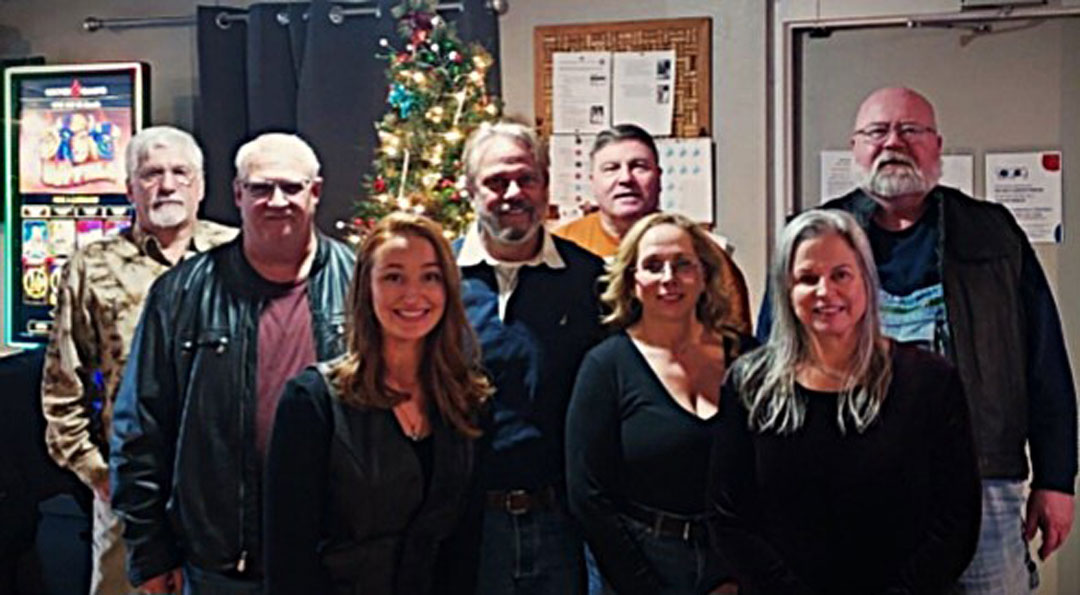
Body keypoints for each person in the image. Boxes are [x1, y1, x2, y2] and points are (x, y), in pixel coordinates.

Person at [757, 86, 1077, 593]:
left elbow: (1044, 363)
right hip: (847, 480)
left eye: (910, 130)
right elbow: (773, 361)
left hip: (983, 478)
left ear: (937, 145)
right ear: (855, 147)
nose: (893, 143)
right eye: (877, 132)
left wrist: (1057, 477)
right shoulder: (814, 238)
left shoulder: (993, 234)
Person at [110, 132, 354, 594]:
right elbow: (140, 428)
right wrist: (150, 551)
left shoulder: (361, 284)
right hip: (220, 563)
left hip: (337, 559)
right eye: (260, 188)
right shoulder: (181, 293)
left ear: (316, 192)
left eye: (291, 187)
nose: (276, 200)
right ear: (238, 194)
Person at [712, 209, 981, 594]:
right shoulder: (749, 383)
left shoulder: (929, 381)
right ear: (786, 291)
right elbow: (729, 517)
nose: (825, 292)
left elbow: (957, 519)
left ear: (868, 283)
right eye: (807, 278)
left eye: (841, 275)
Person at [40, 126, 236, 595]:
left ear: (201, 186)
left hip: (224, 496)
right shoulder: (92, 267)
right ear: (130, 189)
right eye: (151, 174)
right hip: (131, 493)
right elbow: (61, 390)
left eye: (179, 172)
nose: (166, 185)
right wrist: (101, 477)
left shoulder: (235, 256)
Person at [264, 213, 491, 594]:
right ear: (365, 288)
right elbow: (288, 561)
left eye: (430, 277)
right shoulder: (312, 402)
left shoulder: (465, 400)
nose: (413, 294)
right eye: (393, 277)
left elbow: (463, 547)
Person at [566, 212, 755, 595]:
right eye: (653, 266)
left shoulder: (747, 360)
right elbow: (589, 496)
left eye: (683, 264)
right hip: (640, 561)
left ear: (704, 275)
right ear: (633, 281)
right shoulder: (606, 366)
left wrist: (736, 575)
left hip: (732, 560)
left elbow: (768, 476)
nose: (669, 279)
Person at [457, 121, 606, 594]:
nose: (514, 193)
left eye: (527, 178)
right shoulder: (434, 278)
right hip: (463, 526)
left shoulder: (591, 279)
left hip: (562, 524)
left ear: (546, 184)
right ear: (469, 190)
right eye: (497, 181)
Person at [552, 124, 752, 335]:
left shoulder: (701, 251)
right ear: (592, 182)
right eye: (611, 168)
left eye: (639, 166)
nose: (626, 179)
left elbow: (734, 338)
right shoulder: (560, 249)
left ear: (659, 177)